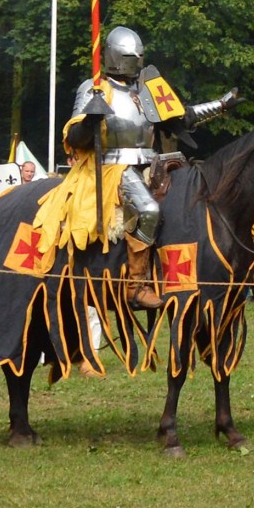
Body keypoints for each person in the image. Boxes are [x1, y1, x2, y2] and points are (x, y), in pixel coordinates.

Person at [63, 25, 238, 309]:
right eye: (133, 57)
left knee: (187, 203)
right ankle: (135, 286)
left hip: (151, 163)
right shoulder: (95, 89)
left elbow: (181, 118)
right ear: (117, 57)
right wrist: (91, 121)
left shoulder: (145, 91)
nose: (137, 62)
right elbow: (73, 136)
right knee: (148, 210)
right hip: (112, 167)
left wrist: (221, 104)